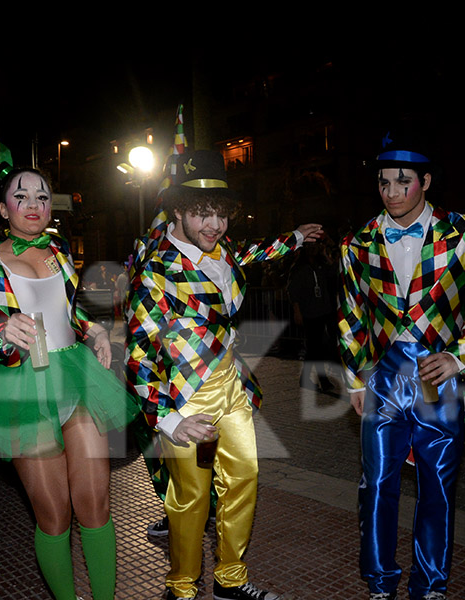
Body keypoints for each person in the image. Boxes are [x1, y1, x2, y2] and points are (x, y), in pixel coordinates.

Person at [126, 149, 323, 600]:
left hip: (231, 386)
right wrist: (168, 419)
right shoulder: (155, 269)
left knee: (243, 481)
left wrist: (292, 237)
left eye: (220, 213)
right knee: (191, 499)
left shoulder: (223, 249)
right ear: (178, 209)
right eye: (201, 213)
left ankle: (229, 581)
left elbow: (251, 253)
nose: (213, 225)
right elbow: (137, 352)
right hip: (186, 394)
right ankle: (181, 589)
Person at [0, 167, 137, 600]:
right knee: (55, 516)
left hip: (76, 377)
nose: (34, 205)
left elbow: (71, 310)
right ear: (2, 208)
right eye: (22, 196)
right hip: (21, 385)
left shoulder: (57, 249)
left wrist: (96, 330)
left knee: (96, 505)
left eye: (42, 196)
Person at [338, 128, 465, 600]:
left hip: (437, 376)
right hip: (384, 377)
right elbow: (351, 315)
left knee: (438, 486)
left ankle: (431, 584)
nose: (391, 191)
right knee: (376, 484)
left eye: (402, 181)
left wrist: (459, 356)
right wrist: (354, 379)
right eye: (383, 182)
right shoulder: (357, 243)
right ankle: (379, 580)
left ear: (426, 181)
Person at [287, 238, 338, 392]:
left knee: (315, 348)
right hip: (308, 311)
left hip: (323, 309)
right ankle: (323, 380)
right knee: (316, 347)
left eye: (315, 246)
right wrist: (297, 311)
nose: (312, 249)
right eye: (309, 246)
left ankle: (307, 378)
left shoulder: (320, 264)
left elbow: (334, 273)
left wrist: (325, 255)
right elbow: (293, 290)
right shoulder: (299, 267)